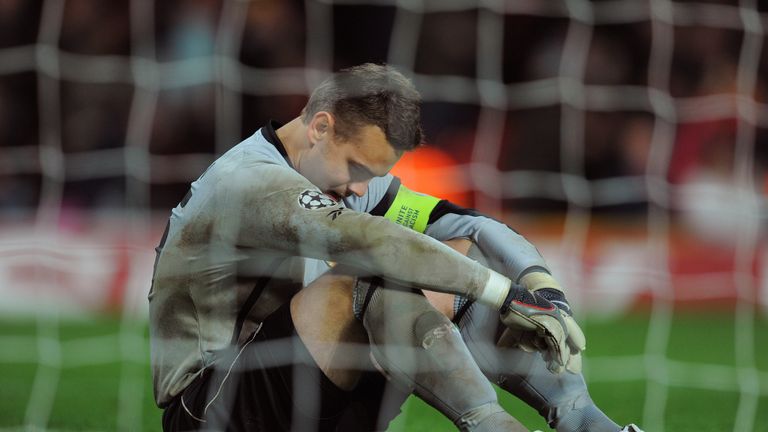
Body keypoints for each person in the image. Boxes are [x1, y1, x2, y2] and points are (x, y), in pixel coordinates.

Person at [149, 63, 640, 432]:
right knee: (372, 271)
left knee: (458, 251)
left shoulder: (343, 178)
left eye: (375, 176)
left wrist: (539, 287)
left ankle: (585, 422)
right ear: (320, 127)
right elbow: (375, 241)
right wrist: (504, 296)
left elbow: (461, 223)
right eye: (357, 169)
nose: (364, 190)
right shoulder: (250, 181)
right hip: (210, 406)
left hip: (296, 388)